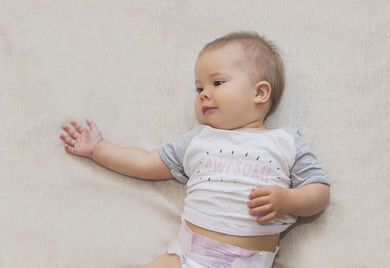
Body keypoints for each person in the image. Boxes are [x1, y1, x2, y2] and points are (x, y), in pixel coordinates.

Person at [59, 31, 330, 268]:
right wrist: (98, 149)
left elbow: (320, 191)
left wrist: (288, 201)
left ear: (259, 93)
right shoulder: (199, 140)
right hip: (186, 256)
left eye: (217, 83)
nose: (203, 93)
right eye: (199, 87)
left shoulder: (285, 141)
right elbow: (145, 162)